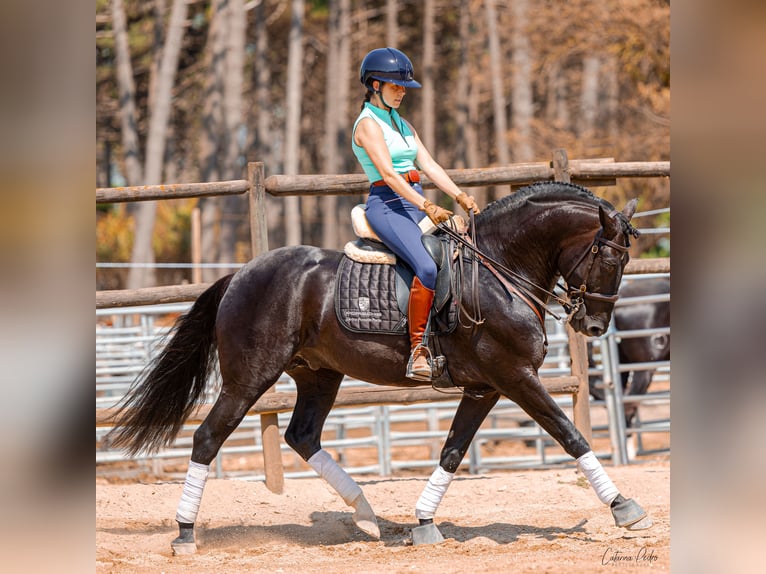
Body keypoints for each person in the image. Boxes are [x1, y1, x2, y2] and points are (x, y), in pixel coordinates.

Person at [351, 47, 481, 382]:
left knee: (463, 250)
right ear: (375, 84)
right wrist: (427, 206)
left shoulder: (401, 123)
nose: (402, 91)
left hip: (415, 200)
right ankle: (418, 350)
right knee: (424, 264)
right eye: (395, 85)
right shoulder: (367, 125)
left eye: (403, 86)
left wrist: (458, 195)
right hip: (387, 204)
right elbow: (391, 177)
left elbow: (429, 165)